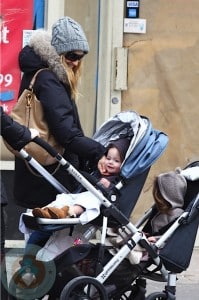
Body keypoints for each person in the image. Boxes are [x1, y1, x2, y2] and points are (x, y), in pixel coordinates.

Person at [14, 16, 106, 210]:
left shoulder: (37, 72)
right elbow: (66, 133)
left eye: (80, 57)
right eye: (72, 56)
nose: (75, 63)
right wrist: (100, 152)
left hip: (35, 170)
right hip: (50, 173)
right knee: (53, 232)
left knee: (40, 229)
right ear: (58, 53)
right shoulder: (49, 80)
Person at [31, 138, 130, 222]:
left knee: (89, 199)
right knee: (64, 197)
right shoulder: (98, 171)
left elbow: (117, 193)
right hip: (83, 195)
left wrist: (109, 186)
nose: (110, 162)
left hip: (99, 201)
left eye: (116, 161)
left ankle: (67, 212)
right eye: (108, 158)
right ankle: (46, 211)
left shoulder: (118, 178)